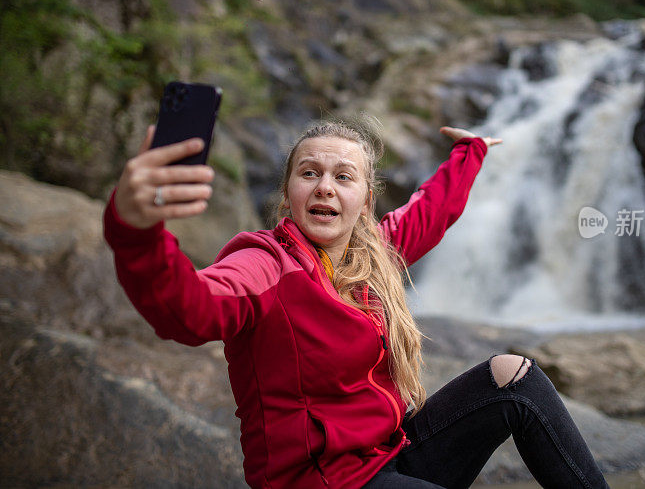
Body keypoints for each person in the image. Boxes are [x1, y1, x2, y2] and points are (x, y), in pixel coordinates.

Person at [104, 118, 609, 489]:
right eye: (309, 173)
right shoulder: (264, 264)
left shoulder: (372, 255)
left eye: (344, 176)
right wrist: (136, 229)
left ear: (365, 200)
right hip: (322, 481)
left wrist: (470, 151)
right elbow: (189, 309)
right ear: (288, 193)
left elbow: (431, 212)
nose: (325, 185)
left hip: (389, 455)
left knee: (513, 377)